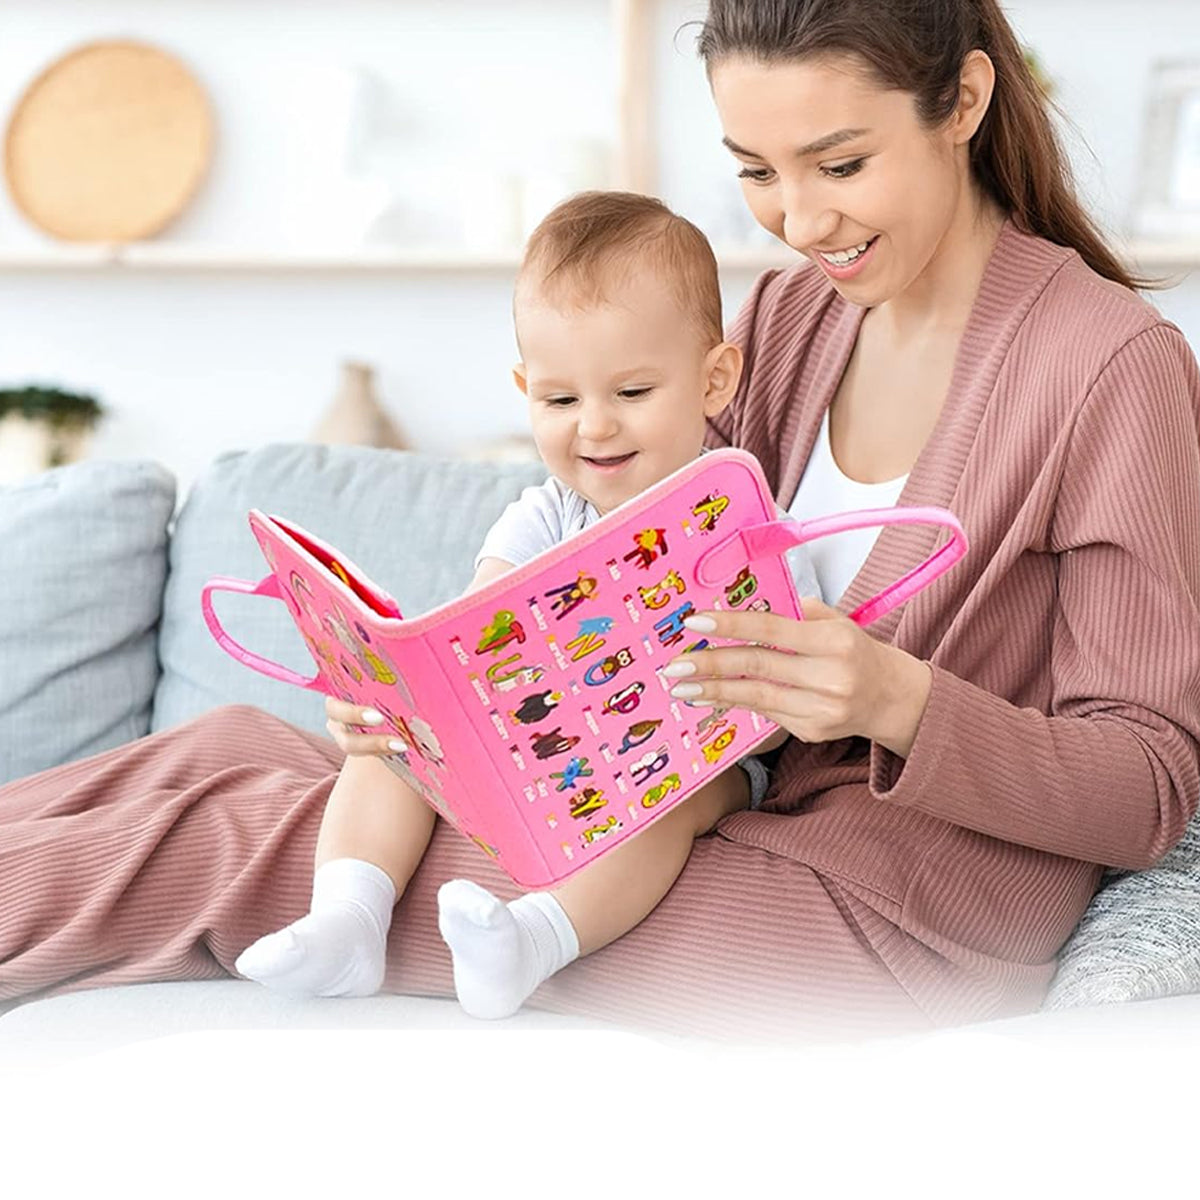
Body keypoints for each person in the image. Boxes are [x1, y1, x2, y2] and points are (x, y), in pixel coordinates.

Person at [1, 0, 1197, 1043]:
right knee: (236, 757)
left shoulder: (1113, 370)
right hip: (703, 822)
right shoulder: (793, 317)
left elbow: (1148, 789)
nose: (797, 219)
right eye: (756, 169)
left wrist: (889, 698)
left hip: (891, 921)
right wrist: (434, 701)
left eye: (839, 164)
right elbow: (649, 587)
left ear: (966, 101)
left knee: (234, 844)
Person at [233, 190, 816, 1017]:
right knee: (393, 748)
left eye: (633, 392)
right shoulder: (543, 513)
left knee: (670, 804)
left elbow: (796, 694)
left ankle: (531, 943)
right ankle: (347, 921)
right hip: (546, 744)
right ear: (525, 391)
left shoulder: (745, 522)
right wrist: (386, 698)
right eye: (560, 400)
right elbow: (473, 633)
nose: (596, 428)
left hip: (698, 761)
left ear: (714, 378)